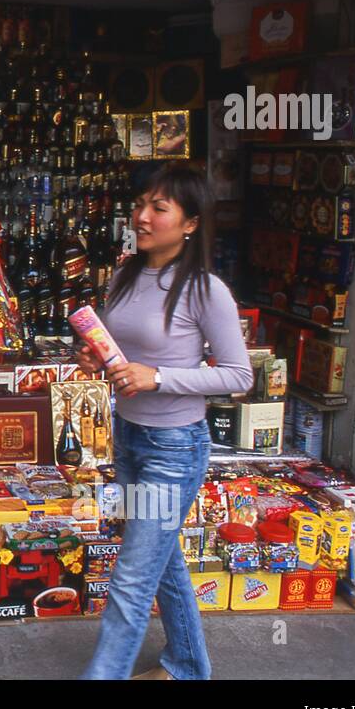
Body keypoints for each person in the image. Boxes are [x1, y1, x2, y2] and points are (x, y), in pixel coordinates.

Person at [78, 162, 253, 680]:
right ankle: (187, 668)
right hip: (130, 437)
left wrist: (161, 378)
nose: (142, 216)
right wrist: (92, 357)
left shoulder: (204, 289)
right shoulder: (127, 274)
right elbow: (117, 351)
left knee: (132, 578)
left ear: (190, 223)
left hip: (174, 448)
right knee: (164, 564)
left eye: (159, 208)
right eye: (141, 205)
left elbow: (238, 376)